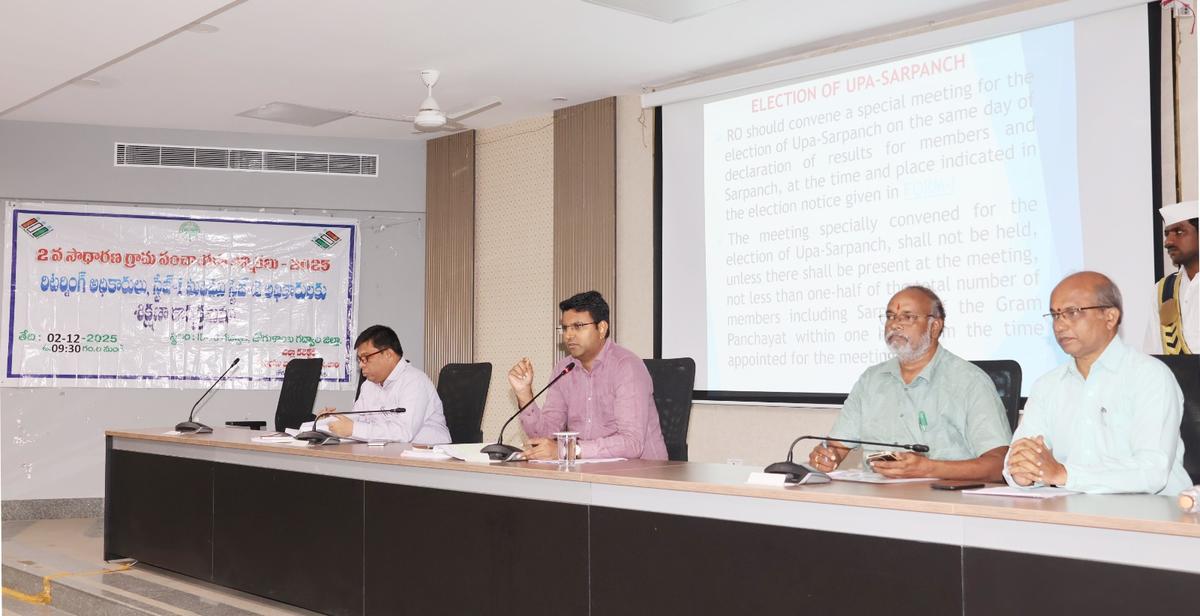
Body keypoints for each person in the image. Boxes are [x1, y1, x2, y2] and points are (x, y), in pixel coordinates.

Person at [1005, 272, 1190, 494]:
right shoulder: (1047, 385)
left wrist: (1063, 474)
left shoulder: (1150, 376)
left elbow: (1151, 473)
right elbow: (1017, 458)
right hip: (1073, 515)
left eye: (1072, 313)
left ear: (1110, 317)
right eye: (1055, 315)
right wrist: (1022, 472)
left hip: (1152, 518)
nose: (1059, 326)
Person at [808, 286, 1012, 481]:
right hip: (877, 501)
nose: (894, 324)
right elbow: (836, 447)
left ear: (934, 326)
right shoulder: (871, 380)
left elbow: (999, 465)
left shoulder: (970, 381)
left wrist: (928, 469)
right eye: (890, 317)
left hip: (945, 504)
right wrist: (827, 456)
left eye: (907, 317)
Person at [508, 290, 667, 460]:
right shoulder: (564, 370)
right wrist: (525, 395)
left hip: (641, 476)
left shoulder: (626, 367)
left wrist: (569, 450)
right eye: (565, 328)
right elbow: (545, 436)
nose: (568, 335)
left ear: (602, 328)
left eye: (578, 327)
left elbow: (632, 443)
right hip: (589, 472)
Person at [318, 325, 451, 444]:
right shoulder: (369, 385)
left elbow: (404, 432)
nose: (361, 365)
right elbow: (358, 418)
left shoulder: (415, 381)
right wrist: (331, 421)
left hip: (429, 458)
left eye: (366, 358)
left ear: (388, 354)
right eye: (359, 359)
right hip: (389, 455)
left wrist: (353, 429)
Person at [1143, 200, 1198, 355]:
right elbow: (1153, 353)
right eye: (1167, 234)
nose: (1168, 242)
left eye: (1179, 232)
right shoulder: (1163, 289)